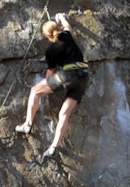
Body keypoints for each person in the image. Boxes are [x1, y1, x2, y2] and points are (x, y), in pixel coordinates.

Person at [15, 13, 89, 158]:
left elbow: (51, 73)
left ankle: (27, 124)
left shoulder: (51, 51)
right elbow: (68, 27)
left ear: (47, 36)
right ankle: (54, 147)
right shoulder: (67, 36)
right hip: (83, 77)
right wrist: (61, 18)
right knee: (64, 113)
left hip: (69, 74)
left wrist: (47, 85)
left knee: (35, 91)